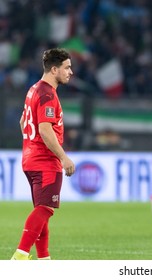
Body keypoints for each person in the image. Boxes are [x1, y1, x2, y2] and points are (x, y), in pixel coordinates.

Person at [11, 48, 75, 260]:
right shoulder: (47, 93)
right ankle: (20, 256)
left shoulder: (34, 89)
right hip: (45, 162)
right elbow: (45, 130)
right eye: (67, 68)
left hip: (30, 160)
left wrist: (31, 146)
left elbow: (23, 122)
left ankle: (44, 260)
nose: (70, 72)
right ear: (54, 69)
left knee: (42, 210)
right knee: (45, 210)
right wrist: (63, 157)